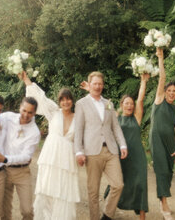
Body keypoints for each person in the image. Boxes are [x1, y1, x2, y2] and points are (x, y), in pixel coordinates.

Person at [19, 71, 80, 220]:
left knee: (63, 191)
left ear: (72, 101)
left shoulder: (79, 117)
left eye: (68, 99)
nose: (65, 102)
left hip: (67, 158)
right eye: (62, 100)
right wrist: (26, 79)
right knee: (46, 189)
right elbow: (41, 98)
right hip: (51, 156)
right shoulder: (54, 112)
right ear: (59, 102)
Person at [74, 71, 127, 220]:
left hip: (111, 150)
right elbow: (78, 129)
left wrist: (122, 145)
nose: (97, 86)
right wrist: (79, 151)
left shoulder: (108, 103)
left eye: (100, 84)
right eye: (95, 83)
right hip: (92, 152)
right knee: (93, 192)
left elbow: (115, 127)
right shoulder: (81, 104)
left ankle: (107, 216)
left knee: (118, 185)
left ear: (103, 85)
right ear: (89, 84)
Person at [103, 73, 150, 220]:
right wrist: (89, 91)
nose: (129, 105)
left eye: (131, 103)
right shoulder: (116, 117)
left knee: (141, 184)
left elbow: (141, 99)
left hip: (138, 158)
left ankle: (142, 216)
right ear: (122, 105)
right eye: (126, 103)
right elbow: (104, 106)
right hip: (121, 157)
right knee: (118, 184)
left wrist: (143, 81)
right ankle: (108, 210)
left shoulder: (137, 117)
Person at [0, 97, 41, 220]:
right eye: (24, 110)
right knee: (4, 211)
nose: (26, 115)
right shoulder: (8, 117)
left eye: (30, 112)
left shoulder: (35, 132)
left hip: (22, 172)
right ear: (20, 107)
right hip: (4, 171)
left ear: (34, 113)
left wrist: (5, 159)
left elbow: (26, 156)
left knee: (27, 210)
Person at [149, 48, 175, 220]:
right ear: (164, 92)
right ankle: (164, 204)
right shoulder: (159, 101)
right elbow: (162, 78)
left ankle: (162, 197)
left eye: (174, 91)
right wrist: (160, 57)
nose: (171, 93)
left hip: (170, 143)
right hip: (157, 140)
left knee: (168, 172)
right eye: (169, 90)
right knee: (161, 171)